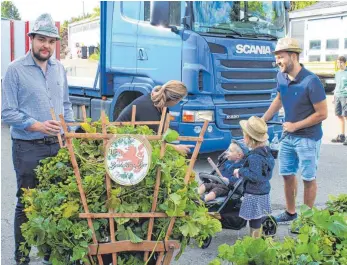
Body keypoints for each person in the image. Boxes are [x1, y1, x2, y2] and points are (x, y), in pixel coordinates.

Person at [1, 14, 74, 265]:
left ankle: (48, 254)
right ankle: (22, 257)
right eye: (41, 39)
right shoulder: (15, 70)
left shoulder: (59, 69)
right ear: (31, 39)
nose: (46, 45)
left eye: (51, 41)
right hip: (27, 147)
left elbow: (66, 105)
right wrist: (38, 125)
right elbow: (7, 112)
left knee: (56, 201)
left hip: (57, 146)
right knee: (27, 202)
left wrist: (70, 132)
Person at [262, 37, 328, 225]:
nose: (277, 62)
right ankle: (291, 213)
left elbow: (322, 114)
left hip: (308, 138)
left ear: (293, 56)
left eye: (280, 57)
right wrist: (263, 119)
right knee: (287, 174)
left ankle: (305, 221)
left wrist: (295, 125)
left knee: (308, 178)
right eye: (276, 58)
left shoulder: (311, 81)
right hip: (288, 137)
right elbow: (280, 98)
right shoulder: (281, 76)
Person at [116, 80, 194, 154]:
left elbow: (162, 134)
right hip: (123, 145)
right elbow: (151, 142)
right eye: (180, 100)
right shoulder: (147, 108)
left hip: (135, 143)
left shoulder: (161, 106)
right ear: (174, 100)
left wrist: (171, 136)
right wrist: (176, 148)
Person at [233, 116, 275, 238]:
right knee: (258, 216)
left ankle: (254, 240)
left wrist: (240, 170)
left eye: (244, 135)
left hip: (254, 192)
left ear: (250, 139)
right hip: (264, 190)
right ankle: (256, 237)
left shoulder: (254, 157)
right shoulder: (266, 152)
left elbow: (255, 176)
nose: (243, 137)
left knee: (255, 219)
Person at [331, 56, 347, 145]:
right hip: (337, 96)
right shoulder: (337, 73)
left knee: (346, 116)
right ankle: (342, 136)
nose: (339, 64)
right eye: (338, 62)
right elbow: (337, 85)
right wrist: (334, 96)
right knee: (339, 116)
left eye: (340, 62)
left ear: (345, 63)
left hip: (345, 96)